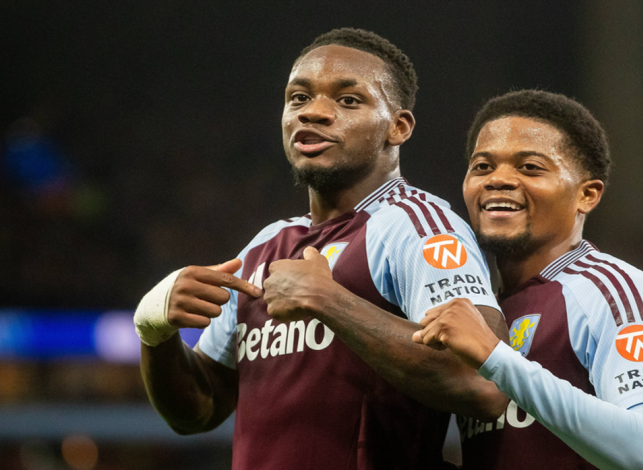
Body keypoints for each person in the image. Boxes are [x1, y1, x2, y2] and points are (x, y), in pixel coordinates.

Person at [133, 28, 508, 470]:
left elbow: (484, 384)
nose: (313, 112)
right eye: (298, 98)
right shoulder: (265, 246)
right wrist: (154, 331)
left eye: (348, 100)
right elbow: (199, 410)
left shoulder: (415, 226)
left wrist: (328, 300)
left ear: (398, 127)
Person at [413, 90, 643, 469]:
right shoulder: (480, 307)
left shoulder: (610, 290)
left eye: (530, 167)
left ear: (587, 195)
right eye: (482, 166)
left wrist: (497, 358)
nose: (498, 180)